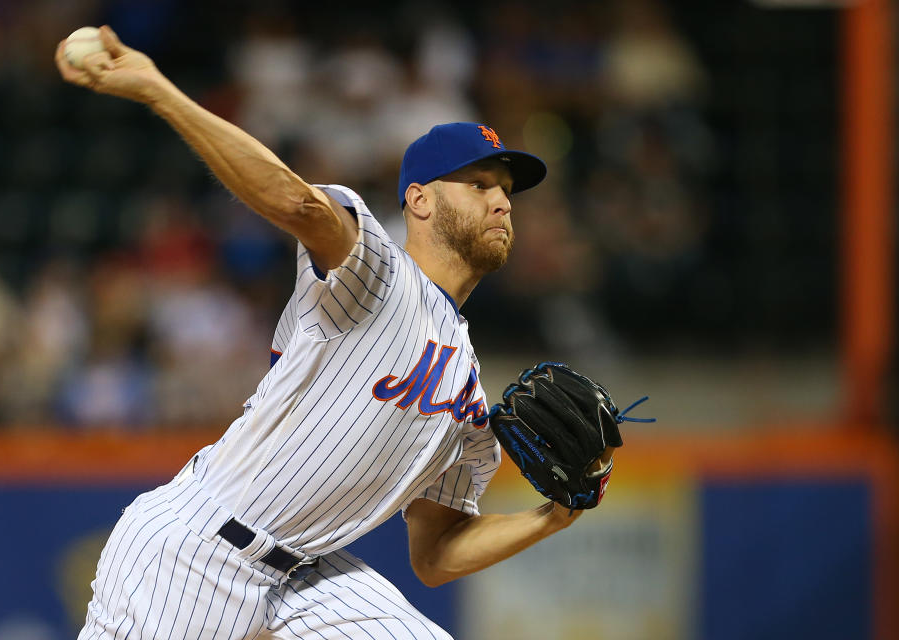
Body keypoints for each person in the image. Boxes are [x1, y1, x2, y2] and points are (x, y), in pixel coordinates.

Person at [56, 26, 615, 640]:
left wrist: (552, 517)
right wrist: (160, 91)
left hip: (307, 578)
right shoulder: (376, 272)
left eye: (506, 191)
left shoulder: (468, 393)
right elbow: (297, 205)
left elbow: (436, 555)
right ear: (420, 201)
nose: (502, 202)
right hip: (193, 553)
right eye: (479, 185)